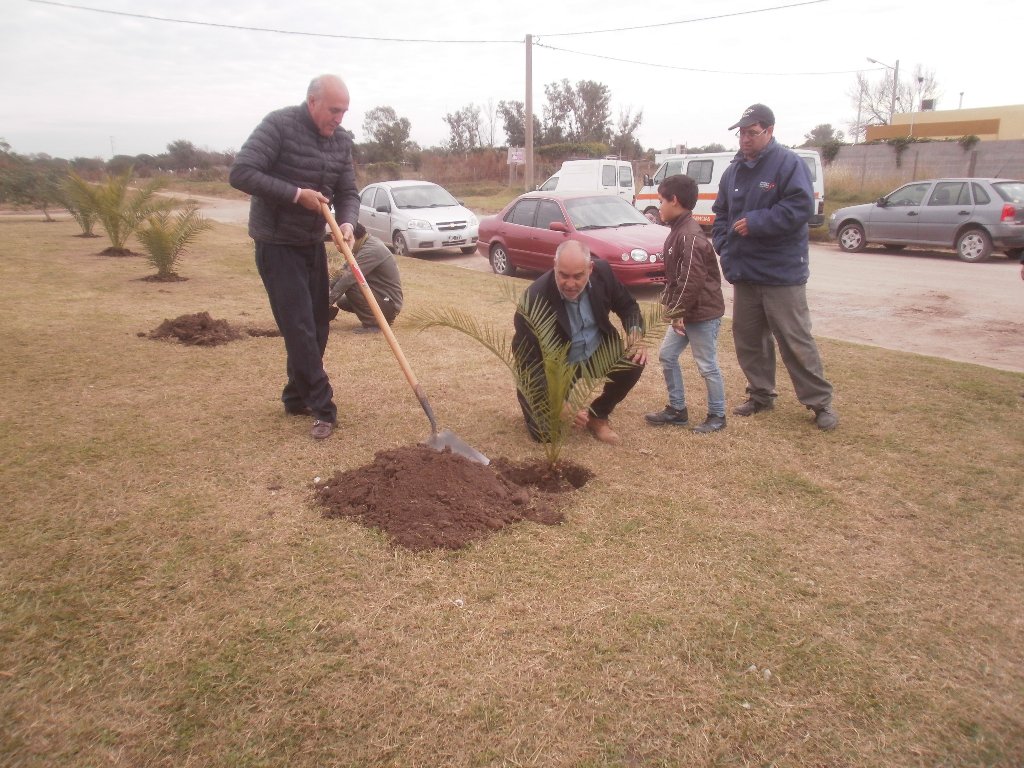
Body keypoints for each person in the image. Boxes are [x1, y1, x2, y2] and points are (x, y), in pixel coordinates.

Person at [229, 74, 359, 440]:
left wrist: (347, 222)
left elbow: (349, 190)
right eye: (334, 110)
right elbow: (241, 172)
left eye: (344, 112)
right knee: (299, 327)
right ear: (312, 101)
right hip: (276, 243)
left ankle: (294, 396)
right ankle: (323, 407)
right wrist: (294, 194)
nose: (339, 118)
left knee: (318, 324)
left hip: (311, 242)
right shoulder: (279, 125)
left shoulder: (341, 142)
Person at [711, 104, 839, 431]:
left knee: (794, 339)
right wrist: (724, 248)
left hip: (782, 273)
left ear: (769, 131)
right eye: (741, 133)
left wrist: (756, 222)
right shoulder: (733, 171)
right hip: (745, 272)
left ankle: (819, 402)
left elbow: (800, 207)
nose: (745, 139)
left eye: (752, 133)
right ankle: (760, 394)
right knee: (749, 339)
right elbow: (721, 214)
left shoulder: (788, 164)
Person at [512, 240, 647, 445]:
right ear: (554, 266)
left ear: (590, 269)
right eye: (563, 275)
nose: (570, 284)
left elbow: (628, 306)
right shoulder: (534, 299)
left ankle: (598, 415)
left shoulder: (603, 273)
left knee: (635, 361)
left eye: (578, 276)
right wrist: (557, 403)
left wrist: (636, 334)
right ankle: (536, 405)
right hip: (558, 368)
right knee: (546, 436)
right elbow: (527, 364)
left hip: (597, 352)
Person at [644, 174, 727, 434]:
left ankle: (717, 415)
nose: (659, 207)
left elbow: (691, 279)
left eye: (661, 201)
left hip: (702, 313)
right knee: (667, 356)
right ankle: (677, 409)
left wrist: (678, 313)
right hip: (686, 312)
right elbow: (675, 277)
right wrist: (672, 308)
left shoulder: (690, 235)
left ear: (675, 201)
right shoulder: (678, 231)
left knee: (706, 364)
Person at [328, 222, 404, 333]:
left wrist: (325, 303)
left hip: (389, 304)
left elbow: (348, 278)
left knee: (351, 284)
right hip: (382, 297)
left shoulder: (372, 249)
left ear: (350, 236)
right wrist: (325, 291)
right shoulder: (363, 245)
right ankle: (379, 318)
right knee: (342, 302)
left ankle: (374, 324)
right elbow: (342, 272)